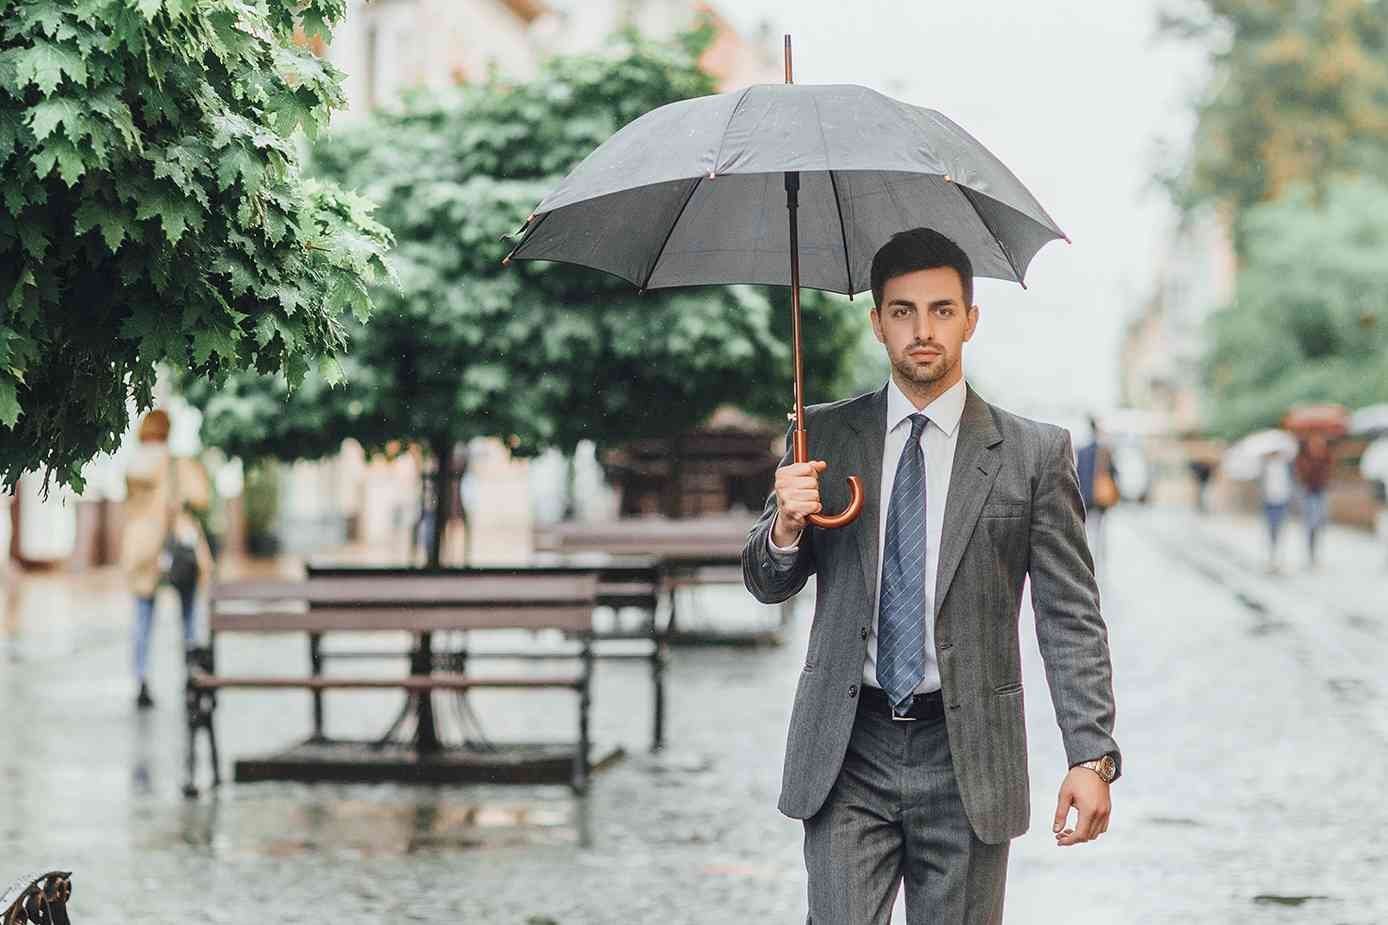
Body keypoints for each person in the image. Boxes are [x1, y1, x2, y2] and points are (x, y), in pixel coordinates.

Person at [742, 228, 1119, 924]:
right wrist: (786, 528)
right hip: (849, 749)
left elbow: (1069, 616)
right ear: (877, 320)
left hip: (968, 754)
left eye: (942, 310)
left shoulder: (1033, 455)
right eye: (903, 310)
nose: (923, 330)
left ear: (970, 319)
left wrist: (1091, 754)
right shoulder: (821, 437)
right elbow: (766, 582)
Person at [120, 409, 212, 709]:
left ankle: (142, 678)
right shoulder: (176, 463)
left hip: (141, 545)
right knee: (187, 611)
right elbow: (201, 496)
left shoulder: (133, 463)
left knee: (143, 616)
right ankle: (190, 673)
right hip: (175, 544)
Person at [1075, 416, 1119, 567]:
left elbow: (1077, 474)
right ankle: (1098, 557)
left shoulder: (1081, 451)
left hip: (1086, 496)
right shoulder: (1105, 451)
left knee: (1085, 529)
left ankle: (1086, 558)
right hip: (1100, 497)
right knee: (1100, 529)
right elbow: (1114, 473)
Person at [1293, 434, 1333, 568]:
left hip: (1321, 493)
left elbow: (1328, 474)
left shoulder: (1326, 457)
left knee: (1320, 523)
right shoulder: (1304, 459)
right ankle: (1310, 555)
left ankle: (1315, 555)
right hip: (1308, 494)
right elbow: (1302, 476)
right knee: (1311, 524)